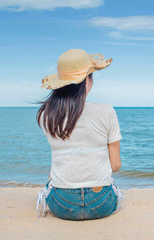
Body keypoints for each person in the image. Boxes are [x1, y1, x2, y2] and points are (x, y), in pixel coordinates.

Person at [35, 49, 123, 220]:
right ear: (86, 82)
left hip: (61, 204)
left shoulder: (46, 114)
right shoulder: (106, 111)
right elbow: (115, 166)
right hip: (101, 203)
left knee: (52, 182)